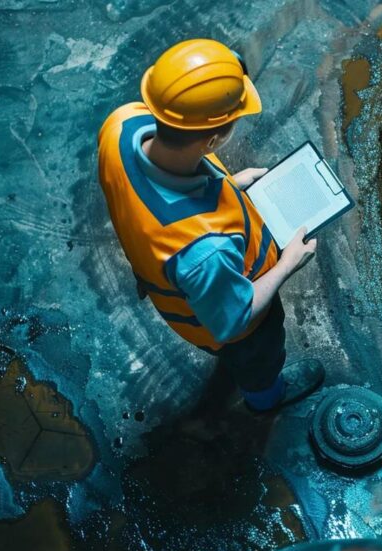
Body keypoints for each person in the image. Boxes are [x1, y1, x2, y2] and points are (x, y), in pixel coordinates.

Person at [97, 39, 324, 412]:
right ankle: (266, 398)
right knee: (257, 359)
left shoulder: (120, 124)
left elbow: (149, 191)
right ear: (214, 138)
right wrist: (287, 263)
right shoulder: (205, 251)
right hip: (238, 328)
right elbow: (233, 321)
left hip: (181, 277)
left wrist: (229, 184)